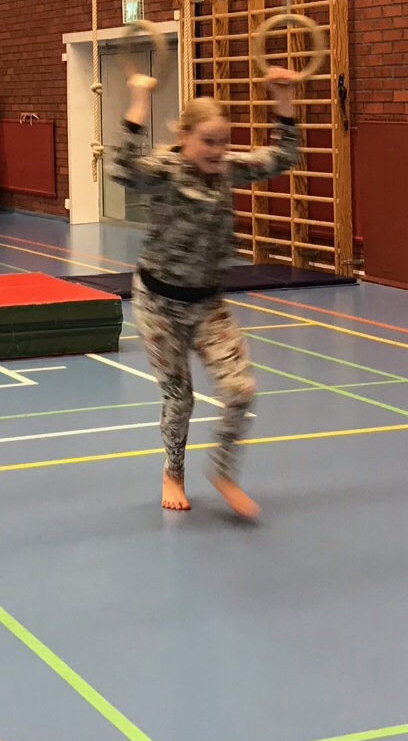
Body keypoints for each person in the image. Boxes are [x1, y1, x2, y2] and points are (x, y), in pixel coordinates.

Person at [111, 68, 301, 519]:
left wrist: (284, 99)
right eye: (208, 141)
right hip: (158, 305)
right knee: (180, 398)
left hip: (208, 305)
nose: (217, 151)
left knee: (241, 390)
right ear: (185, 137)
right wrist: (138, 102)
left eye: (223, 141)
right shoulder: (166, 170)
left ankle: (224, 472)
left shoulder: (228, 169)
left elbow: (283, 156)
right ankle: (173, 472)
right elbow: (123, 170)